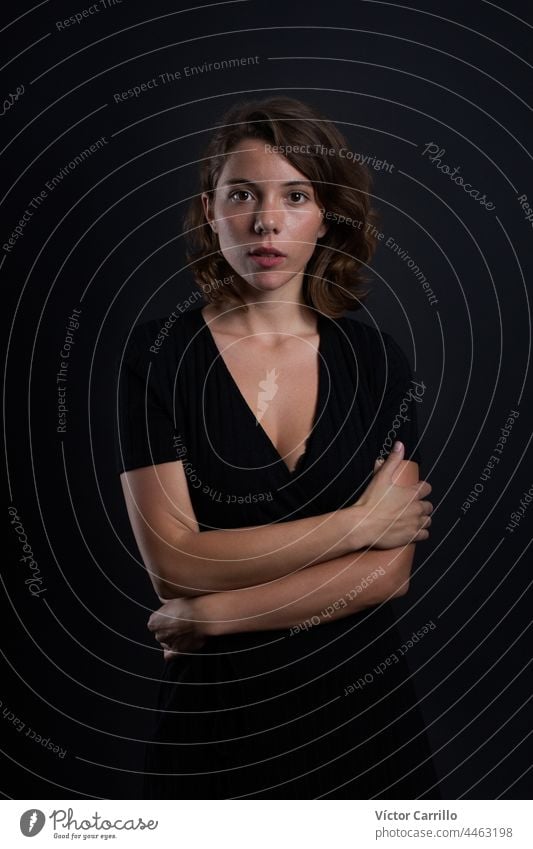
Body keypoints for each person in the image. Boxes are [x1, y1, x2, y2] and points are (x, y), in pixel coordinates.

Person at [116, 96, 439, 799]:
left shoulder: (376, 360)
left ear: (327, 215)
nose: (265, 220)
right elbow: (174, 563)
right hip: (215, 729)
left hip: (365, 723)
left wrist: (211, 614)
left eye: (295, 195)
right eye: (242, 194)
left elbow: (384, 575)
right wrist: (357, 525)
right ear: (211, 211)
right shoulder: (158, 355)